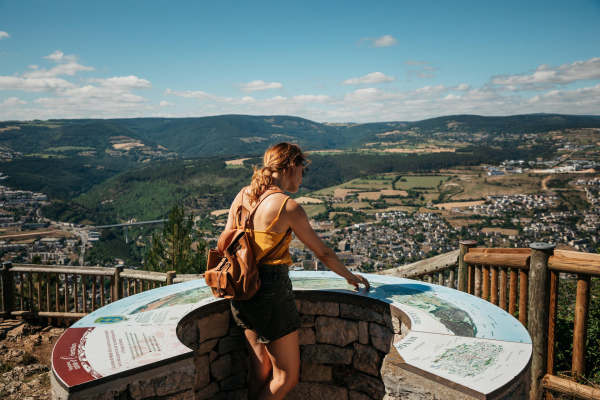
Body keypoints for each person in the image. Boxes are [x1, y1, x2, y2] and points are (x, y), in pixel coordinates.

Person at [224, 142, 370, 400]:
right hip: (270, 290)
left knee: (261, 371)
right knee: (287, 377)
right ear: (292, 166)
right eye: (303, 169)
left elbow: (226, 241)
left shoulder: (242, 195)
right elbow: (323, 253)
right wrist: (349, 276)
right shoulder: (286, 207)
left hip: (240, 287)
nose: (303, 177)